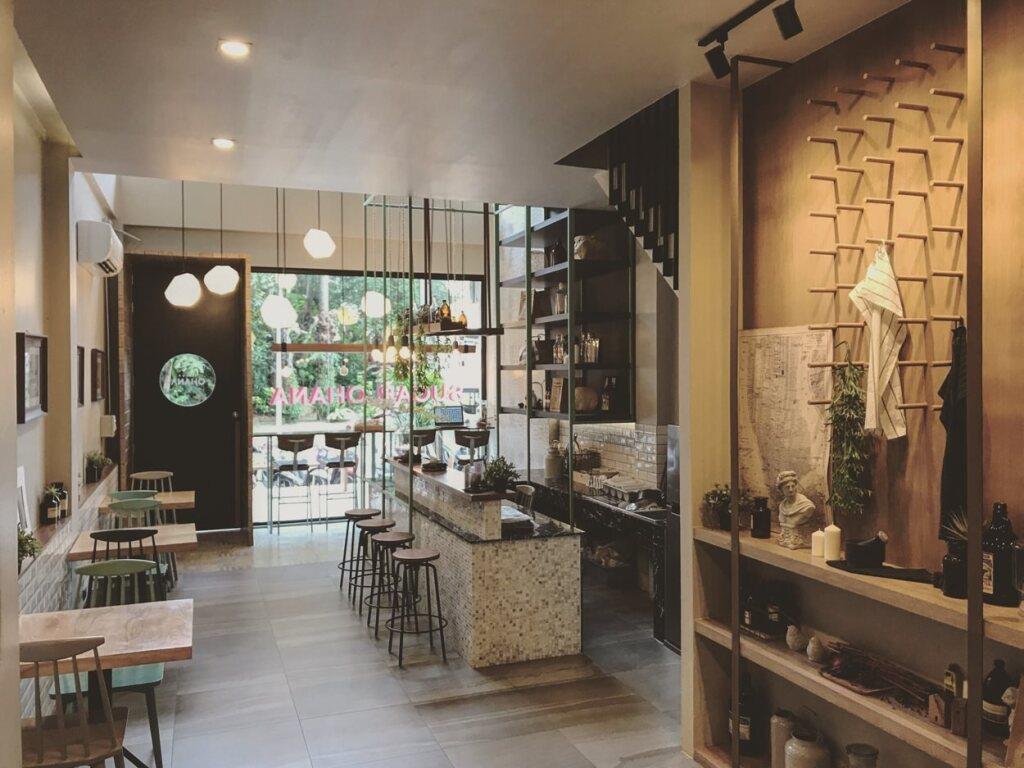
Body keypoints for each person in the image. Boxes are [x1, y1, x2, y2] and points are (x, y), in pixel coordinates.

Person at [776, 470, 818, 549]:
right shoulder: (782, 506)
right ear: (781, 490)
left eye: (793, 486)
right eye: (787, 487)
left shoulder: (806, 505)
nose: (791, 489)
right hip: (785, 541)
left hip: (798, 541)